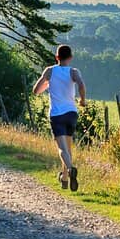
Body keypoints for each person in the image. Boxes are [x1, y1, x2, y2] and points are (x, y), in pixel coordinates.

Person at [32, 44, 87, 191]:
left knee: (62, 149)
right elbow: (81, 85)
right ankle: (64, 178)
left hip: (56, 114)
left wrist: (48, 84)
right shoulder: (73, 72)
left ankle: (70, 169)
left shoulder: (50, 71)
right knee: (68, 148)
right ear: (70, 58)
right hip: (71, 113)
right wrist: (82, 100)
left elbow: (36, 90)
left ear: (57, 57)